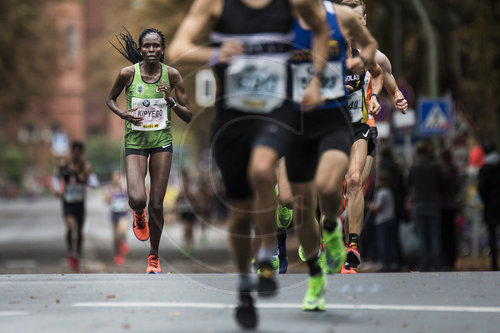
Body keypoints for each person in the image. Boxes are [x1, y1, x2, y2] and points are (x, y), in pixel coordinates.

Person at [168, 0, 330, 328]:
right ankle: (244, 287)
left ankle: (267, 256)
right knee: (240, 212)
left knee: (262, 168)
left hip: (277, 110)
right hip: (232, 117)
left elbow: (322, 29)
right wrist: (214, 54)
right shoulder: (213, 5)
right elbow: (177, 49)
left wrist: (315, 79)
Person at [286, 0, 377, 310]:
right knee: (301, 206)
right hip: (298, 124)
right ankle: (315, 278)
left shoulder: (339, 18)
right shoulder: (278, 21)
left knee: (332, 186)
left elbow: (372, 47)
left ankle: (335, 232)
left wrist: (361, 64)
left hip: (335, 120)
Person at [106, 27, 192, 274]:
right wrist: (122, 113)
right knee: (138, 199)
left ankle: (153, 256)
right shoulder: (127, 74)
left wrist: (171, 101)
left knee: (156, 202)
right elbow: (109, 99)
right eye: (147, 46)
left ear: (162, 49)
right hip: (135, 141)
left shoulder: (172, 76)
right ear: (140, 49)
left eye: (156, 46)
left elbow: (188, 115)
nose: (152, 50)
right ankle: (138, 215)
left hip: (161, 142)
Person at [339, 0, 408, 273]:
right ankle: (329, 241)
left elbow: (394, 89)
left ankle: (351, 250)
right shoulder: (329, 54)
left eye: (357, 19)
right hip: (332, 130)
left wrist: (398, 99)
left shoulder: (377, 58)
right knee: (332, 197)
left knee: (355, 183)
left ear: (364, 20)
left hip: (362, 126)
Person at [52, 141, 94, 272]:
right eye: (74, 151)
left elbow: (90, 180)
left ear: (81, 153)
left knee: (80, 231)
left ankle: (78, 255)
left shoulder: (86, 166)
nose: (76, 154)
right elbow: (55, 178)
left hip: (80, 202)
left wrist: (84, 175)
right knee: (70, 227)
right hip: (67, 201)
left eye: (78, 152)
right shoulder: (63, 166)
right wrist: (57, 190)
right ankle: (71, 252)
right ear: (71, 152)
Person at [408, 141, 444, 271]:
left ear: (417, 153)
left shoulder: (414, 167)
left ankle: (424, 265)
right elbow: (442, 183)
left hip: (418, 203)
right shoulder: (435, 167)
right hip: (433, 203)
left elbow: (409, 184)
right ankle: (437, 264)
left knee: (422, 237)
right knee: (435, 235)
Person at [367, 172, 397, 271]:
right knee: (390, 242)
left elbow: (377, 208)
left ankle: (384, 262)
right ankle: (392, 262)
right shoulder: (389, 191)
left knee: (382, 243)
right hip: (390, 219)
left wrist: (368, 205)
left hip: (382, 221)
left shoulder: (382, 193)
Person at [478, 140, 500, 271]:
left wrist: (485, 200)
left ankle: (494, 264)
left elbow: (481, 187)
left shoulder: (485, 168)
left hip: (491, 206)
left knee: (492, 234)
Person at [104, 170, 130, 266]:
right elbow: (105, 201)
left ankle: (123, 245)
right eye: (115, 177)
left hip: (123, 213)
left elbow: (131, 198)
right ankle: (118, 254)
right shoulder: (109, 188)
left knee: (122, 231)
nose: (117, 179)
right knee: (115, 237)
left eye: (119, 177)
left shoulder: (125, 188)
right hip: (114, 213)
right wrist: (110, 197)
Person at [440, 149, 459, 270]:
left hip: (444, 204)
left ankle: (447, 260)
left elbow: (441, 184)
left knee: (445, 234)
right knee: (451, 233)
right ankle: (451, 259)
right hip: (452, 203)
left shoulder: (445, 170)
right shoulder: (455, 169)